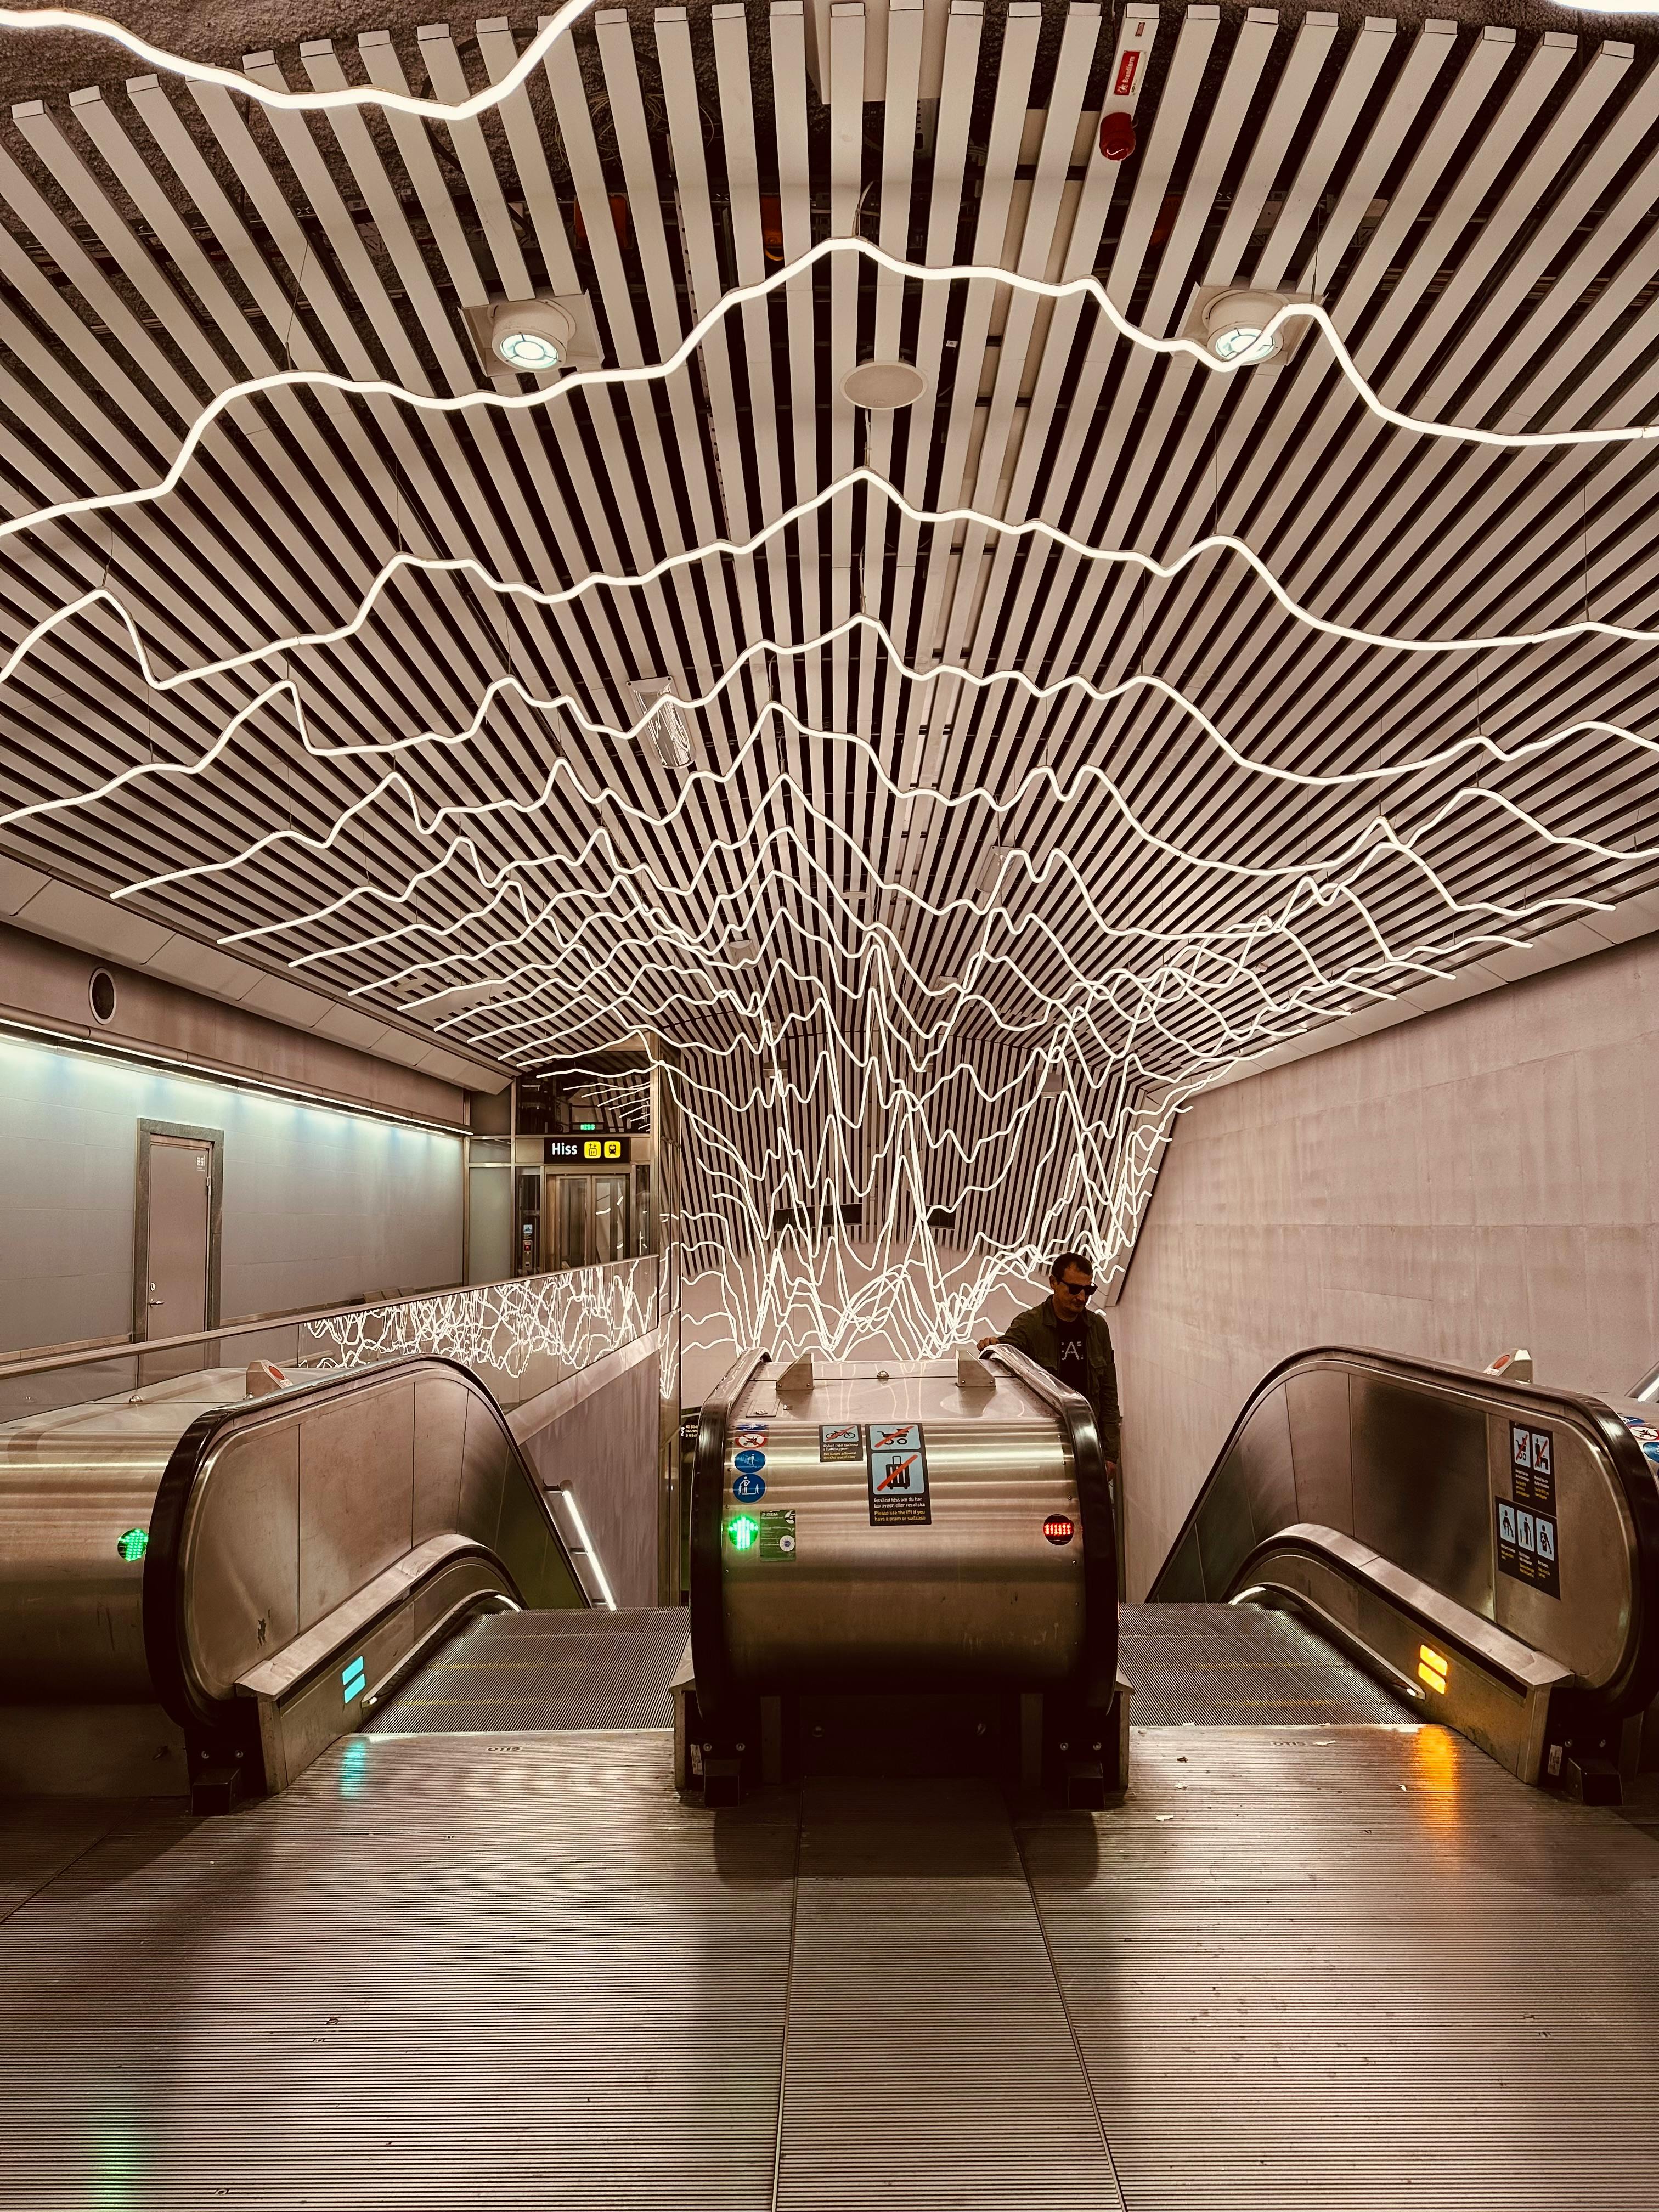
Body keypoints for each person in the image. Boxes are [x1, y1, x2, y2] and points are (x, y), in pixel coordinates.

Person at [979, 1251, 1120, 1483]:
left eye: (1089, 1290)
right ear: (1054, 1283)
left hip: (1088, 1441)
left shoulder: (1098, 1328)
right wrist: (993, 1345)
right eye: (1074, 1289)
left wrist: (1111, 1454)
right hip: (1047, 1445)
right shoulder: (1030, 1325)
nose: (1082, 1298)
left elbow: (1108, 1393)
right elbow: (1004, 1356)